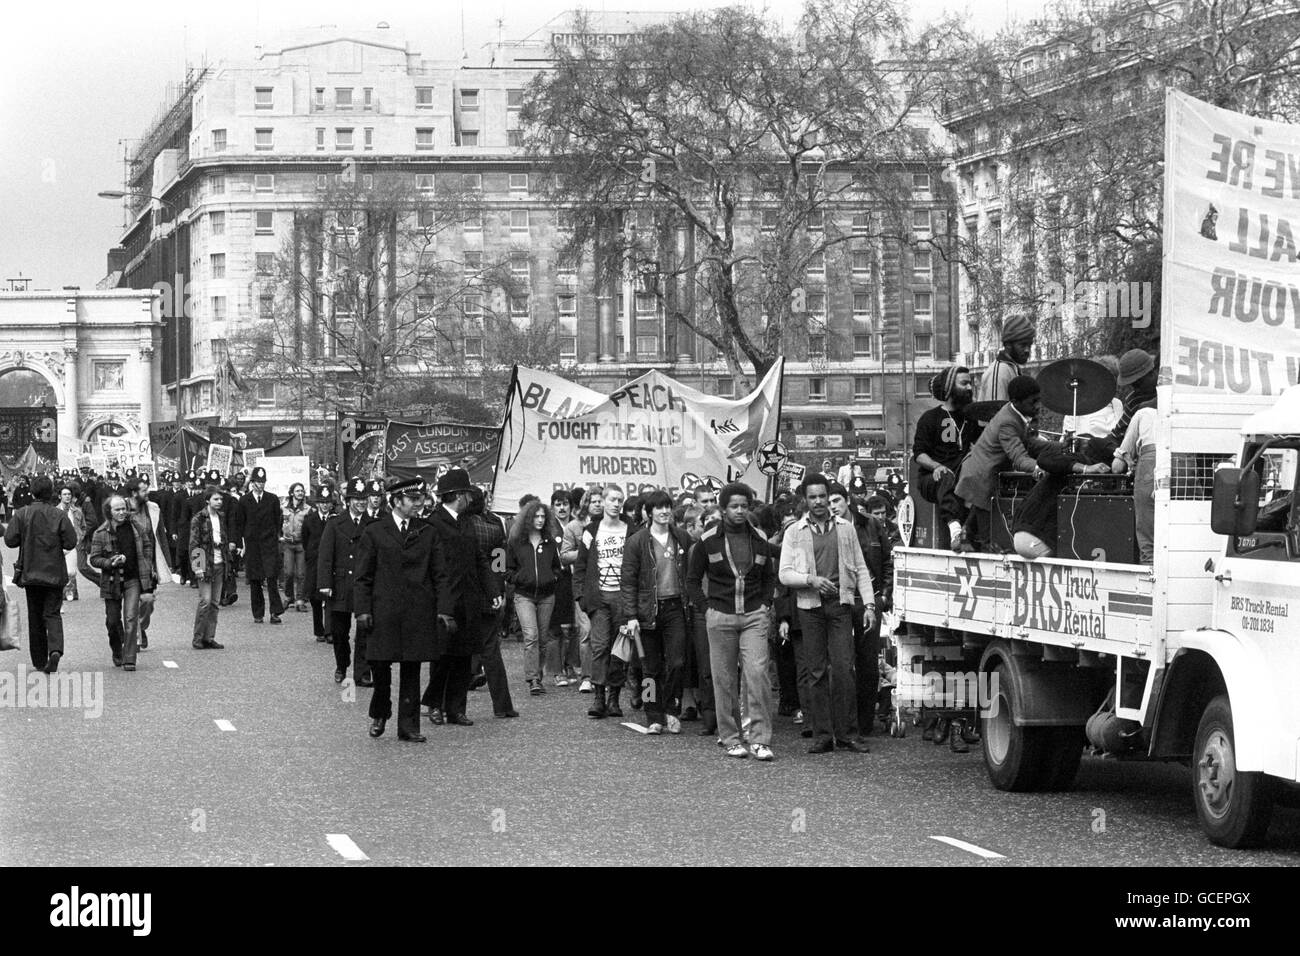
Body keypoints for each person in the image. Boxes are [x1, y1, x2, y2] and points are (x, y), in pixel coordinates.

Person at [779, 475, 876, 754]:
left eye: (823, 496)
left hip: (840, 606)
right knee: (816, 671)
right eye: (813, 497)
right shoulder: (794, 532)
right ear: (805, 500)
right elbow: (784, 574)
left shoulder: (845, 528)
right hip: (809, 608)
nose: (820, 502)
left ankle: (848, 734)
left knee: (844, 668)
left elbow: (860, 568)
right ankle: (822, 735)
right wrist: (811, 580)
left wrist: (869, 605)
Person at [685, 482, 777, 760]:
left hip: (754, 616)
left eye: (744, 506)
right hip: (719, 616)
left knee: (757, 674)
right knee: (723, 679)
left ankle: (760, 739)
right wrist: (706, 608)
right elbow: (691, 581)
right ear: (723, 509)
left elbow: (769, 577)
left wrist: (765, 604)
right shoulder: (707, 539)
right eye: (734, 506)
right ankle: (730, 737)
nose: (739, 511)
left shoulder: (760, 537)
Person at [355, 477, 449, 742]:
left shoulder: (428, 531)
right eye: (413, 500)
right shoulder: (375, 531)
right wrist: (362, 610)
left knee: (412, 668)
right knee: (381, 668)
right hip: (383, 611)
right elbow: (363, 575)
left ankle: (409, 726)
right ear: (396, 501)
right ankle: (380, 712)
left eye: (421, 499)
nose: (418, 504)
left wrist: (444, 609)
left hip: (417, 611)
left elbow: (440, 574)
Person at [422, 469, 502, 726]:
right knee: (443, 656)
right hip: (445, 600)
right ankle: (434, 704)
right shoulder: (433, 523)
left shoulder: (467, 522)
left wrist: (492, 591)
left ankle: (456, 708)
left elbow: (479, 558)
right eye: (467, 493)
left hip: (469, 599)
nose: (470, 498)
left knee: (464, 656)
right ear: (457, 495)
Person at [621, 489, 693, 735]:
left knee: (677, 661)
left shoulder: (682, 537)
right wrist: (631, 616)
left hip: (676, 607)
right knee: (650, 668)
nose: (664, 512)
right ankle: (653, 714)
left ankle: (672, 708)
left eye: (667, 507)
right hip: (646, 611)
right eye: (658, 508)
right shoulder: (636, 541)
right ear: (649, 512)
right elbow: (628, 580)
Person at [954, 375, 1048, 552]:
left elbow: (1029, 443)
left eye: (1038, 401)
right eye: (1033, 402)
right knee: (987, 534)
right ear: (1015, 401)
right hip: (982, 475)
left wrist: (1056, 447)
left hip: (980, 472)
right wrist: (1038, 467)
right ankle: (986, 548)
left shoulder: (1014, 413)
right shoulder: (1008, 422)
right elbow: (1019, 459)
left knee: (978, 512)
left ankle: (963, 538)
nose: (1037, 406)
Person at [829, 483, 893, 738]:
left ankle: (865, 723)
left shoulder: (871, 524)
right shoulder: (827, 526)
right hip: (841, 600)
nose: (832, 506)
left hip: (871, 599)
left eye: (836, 500)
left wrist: (885, 595)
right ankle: (843, 722)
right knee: (842, 664)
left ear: (847, 500)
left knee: (868, 664)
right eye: (829, 501)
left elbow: (888, 560)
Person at [4, 475, 77, 673]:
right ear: (51, 493)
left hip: (31, 573)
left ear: (33, 492)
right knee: (52, 613)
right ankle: (55, 650)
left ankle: (39, 659)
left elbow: (10, 540)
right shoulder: (59, 515)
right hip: (55, 572)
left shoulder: (22, 514)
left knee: (35, 616)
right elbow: (71, 542)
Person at [574, 484, 633, 719]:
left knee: (619, 650)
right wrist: (580, 596)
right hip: (599, 598)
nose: (616, 504)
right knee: (599, 647)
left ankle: (614, 698)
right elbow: (580, 566)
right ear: (604, 501)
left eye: (620, 500)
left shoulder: (631, 529)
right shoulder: (591, 530)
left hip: (623, 598)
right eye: (612, 499)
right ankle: (598, 696)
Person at [465, 486, 517, 718]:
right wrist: (498, 591)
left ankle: (439, 703)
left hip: (465, 594)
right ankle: (503, 706)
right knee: (491, 651)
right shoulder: (495, 526)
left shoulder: (461, 525)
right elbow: (500, 565)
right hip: (489, 595)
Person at [88, 495, 157, 671]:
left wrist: (146, 562)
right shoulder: (100, 533)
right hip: (111, 581)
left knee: (131, 617)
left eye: (123, 508)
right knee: (112, 621)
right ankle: (117, 650)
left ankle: (129, 658)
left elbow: (148, 545)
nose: (121, 512)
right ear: (109, 512)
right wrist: (110, 562)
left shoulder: (135, 526)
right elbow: (94, 559)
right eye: (117, 509)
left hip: (132, 579)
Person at [318, 478, 374, 685]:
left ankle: (363, 672)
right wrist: (325, 583)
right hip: (340, 583)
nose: (361, 502)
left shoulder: (373, 524)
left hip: (364, 584)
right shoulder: (335, 523)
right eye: (356, 499)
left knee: (364, 630)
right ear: (347, 500)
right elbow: (325, 556)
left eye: (363, 498)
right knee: (339, 632)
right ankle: (342, 664)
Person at [914, 365, 975, 550]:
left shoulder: (972, 418)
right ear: (950, 388)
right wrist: (936, 466)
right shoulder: (930, 418)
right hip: (931, 477)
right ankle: (955, 529)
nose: (970, 387)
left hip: (959, 474)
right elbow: (919, 454)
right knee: (945, 476)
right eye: (964, 383)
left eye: (971, 383)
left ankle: (971, 532)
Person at [1013, 444, 1111, 560]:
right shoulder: (1081, 460)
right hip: (1036, 537)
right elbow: (1044, 458)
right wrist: (1085, 468)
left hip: (1023, 534)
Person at [508, 499, 563, 697]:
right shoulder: (516, 541)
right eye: (536, 516)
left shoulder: (549, 541)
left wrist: (554, 577)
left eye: (543, 516)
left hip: (547, 594)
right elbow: (506, 567)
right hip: (524, 595)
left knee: (542, 638)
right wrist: (517, 578)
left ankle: (538, 675)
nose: (540, 520)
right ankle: (532, 678)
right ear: (528, 518)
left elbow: (557, 566)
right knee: (531, 636)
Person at [676, 503, 716, 735]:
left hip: (724, 608)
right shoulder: (695, 549)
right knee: (700, 664)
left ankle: (723, 712)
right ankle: (701, 710)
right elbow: (690, 582)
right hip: (700, 609)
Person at [561, 486, 602, 692]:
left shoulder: (613, 525)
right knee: (585, 631)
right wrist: (586, 552)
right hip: (584, 584)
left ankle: (603, 676)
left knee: (604, 633)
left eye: (600, 500)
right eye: (594, 501)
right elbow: (564, 555)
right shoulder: (574, 527)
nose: (598, 504)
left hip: (608, 584)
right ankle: (586, 677)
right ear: (587, 503)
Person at [235, 466, 284, 624]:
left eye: (263, 482)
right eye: (257, 482)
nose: (261, 485)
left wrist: (274, 536)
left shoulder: (272, 499)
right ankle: (258, 613)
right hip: (253, 545)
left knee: (271, 578)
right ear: (252, 483)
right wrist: (241, 543)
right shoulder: (244, 500)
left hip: (269, 543)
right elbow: (240, 523)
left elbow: (278, 520)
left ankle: (275, 612)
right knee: (255, 580)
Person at [1111, 403, 1157, 564]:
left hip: (1151, 465)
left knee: (1148, 539)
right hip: (1185, 465)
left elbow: (1117, 467)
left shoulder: (1144, 413)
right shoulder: (1185, 415)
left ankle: (1149, 571)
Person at [189, 484, 230, 650]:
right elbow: (194, 543)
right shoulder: (199, 518)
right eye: (216, 499)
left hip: (220, 563)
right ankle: (198, 637)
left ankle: (209, 637)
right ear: (207, 500)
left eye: (221, 499)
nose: (219, 501)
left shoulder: (221, 517)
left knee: (214, 603)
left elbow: (224, 539)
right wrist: (198, 567)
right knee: (205, 601)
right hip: (206, 565)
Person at [547, 489, 579, 685]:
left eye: (565, 504)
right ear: (553, 507)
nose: (562, 508)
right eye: (558, 504)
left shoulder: (576, 526)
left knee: (575, 627)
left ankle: (571, 664)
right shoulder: (549, 528)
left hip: (575, 581)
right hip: (556, 581)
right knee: (554, 628)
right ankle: (556, 670)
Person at [976, 313, 1035, 403]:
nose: (1027, 350)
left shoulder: (1011, 369)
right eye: (1022, 345)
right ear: (1008, 345)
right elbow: (995, 412)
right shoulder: (1000, 371)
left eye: (1029, 345)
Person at [302, 485, 334, 642]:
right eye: (322, 502)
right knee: (315, 598)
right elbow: (305, 540)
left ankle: (329, 631)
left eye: (328, 502)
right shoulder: (309, 520)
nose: (325, 505)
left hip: (331, 562)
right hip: (314, 562)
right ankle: (319, 630)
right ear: (317, 503)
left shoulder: (336, 519)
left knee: (329, 596)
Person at [281, 482, 310, 611]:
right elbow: (277, 522)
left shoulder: (308, 509)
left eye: (302, 491)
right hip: (288, 543)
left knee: (301, 573)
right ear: (292, 493)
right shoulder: (283, 508)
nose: (300, 493)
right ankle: (288, 597)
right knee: (288, 573)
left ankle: (300, 599)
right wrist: (279, 536)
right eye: (297, 491)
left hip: (301, 544)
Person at [57, 485, 86, 602]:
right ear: (60, 496)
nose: (67, 496)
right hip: (59, 544)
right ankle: (63, 592)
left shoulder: (77, 511)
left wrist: (80, 537)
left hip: (73, 544)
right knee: (60, 570)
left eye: (69, 494)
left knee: (71, 571)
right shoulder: (55, 511)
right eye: (64, 494)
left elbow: (83, 527)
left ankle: (70, 590)